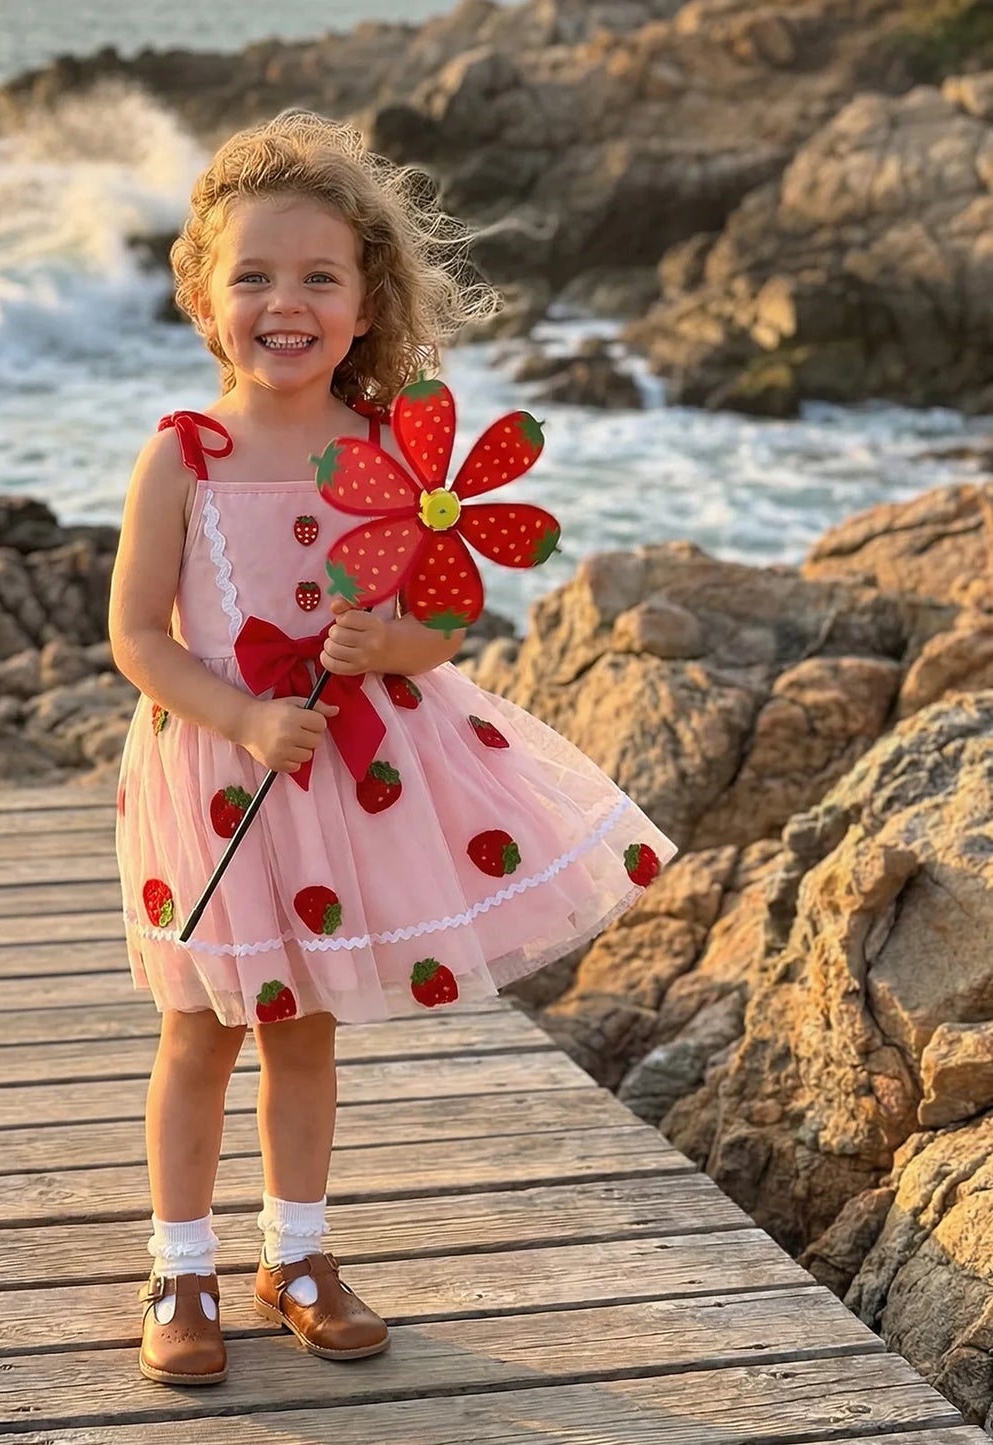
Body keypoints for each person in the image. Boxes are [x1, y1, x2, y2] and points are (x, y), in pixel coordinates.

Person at [107, 110, 678, 1387]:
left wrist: (386, 646)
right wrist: (244, 716)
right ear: (203, 299)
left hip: (337, 771)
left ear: (365, 305)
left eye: (319, 276)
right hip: (217, 774)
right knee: (200, 1026)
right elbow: (137, 635)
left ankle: (296, 1254)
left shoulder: (383, 453)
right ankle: (179, 1264)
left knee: (303, 1026)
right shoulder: (182, 457)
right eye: (253, 276)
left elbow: (441, 618)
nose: (285, 303)